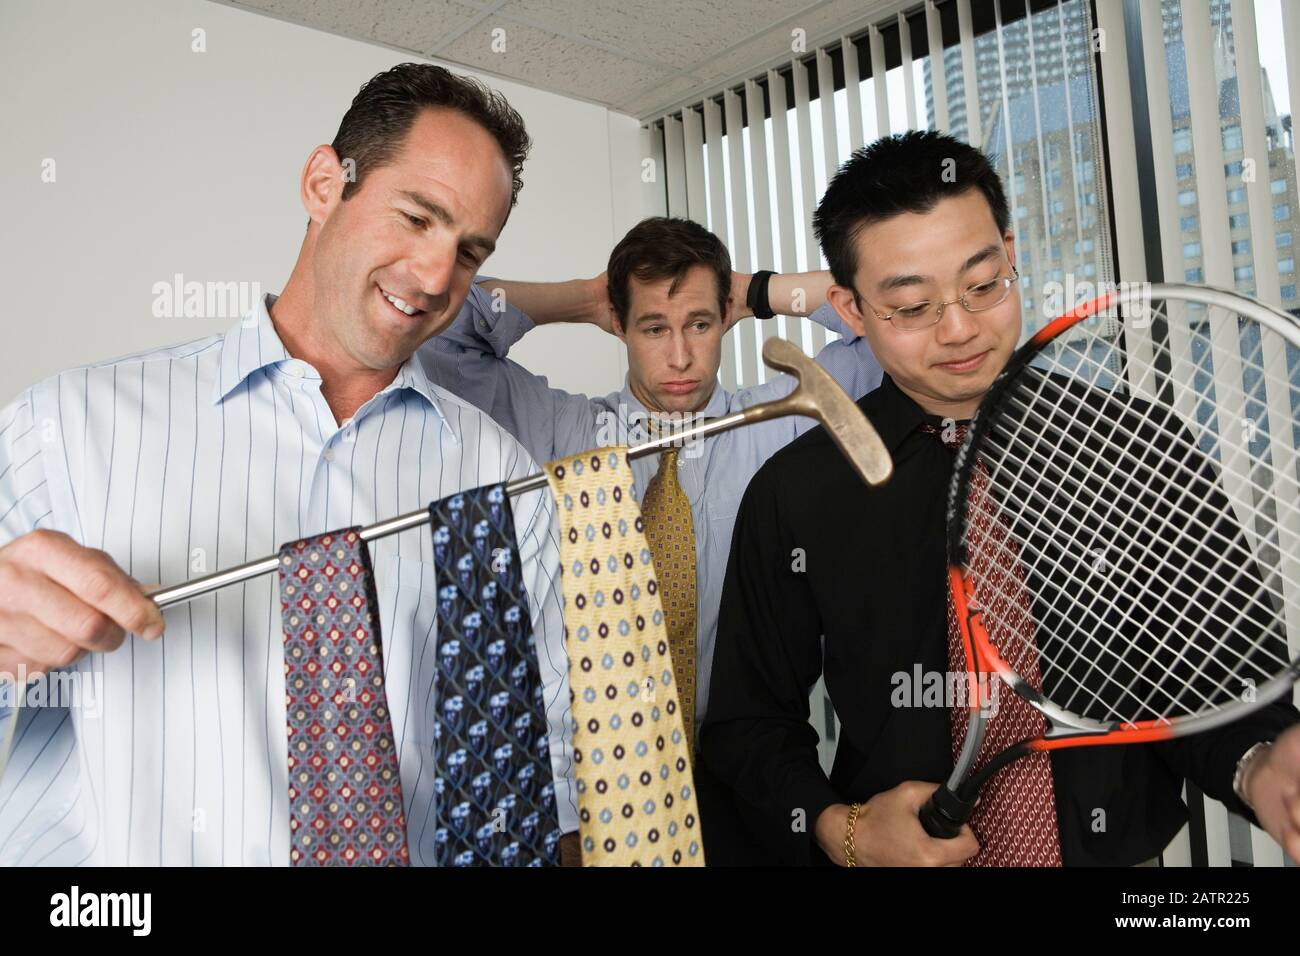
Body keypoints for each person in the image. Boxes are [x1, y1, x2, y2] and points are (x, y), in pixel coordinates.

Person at [0, 63, 580, 866]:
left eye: (470, 251)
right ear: (322, 184)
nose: (437, 276)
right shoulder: (67, 428)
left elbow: (545, 755)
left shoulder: (504, 479)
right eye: (417, 217)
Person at [699, 129, 1300, 866]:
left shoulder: (1136, 444)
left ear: (1011, 253)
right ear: (850, 311)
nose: (960, 329)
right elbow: (747, 725)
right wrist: (839, 828)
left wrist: (1257, 762)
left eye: (984, 284)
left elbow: (1218, 668)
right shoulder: (796, 492)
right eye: (912, 306)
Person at [419, 216, 882, 748]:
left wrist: (756, 290)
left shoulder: (781, 423)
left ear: (727, 317)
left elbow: (880, 322)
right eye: (654, 327)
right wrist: (584, 299)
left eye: (700, 324)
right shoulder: (560, 431)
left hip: (750, 769)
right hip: (600, 778)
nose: (680, 356)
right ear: (620, 324)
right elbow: (439, 338)